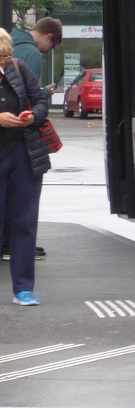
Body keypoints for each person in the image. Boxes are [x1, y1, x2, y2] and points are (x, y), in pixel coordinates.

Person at [0, 29, 51, 305]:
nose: (4, 63)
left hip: (24, 155)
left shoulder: (19, 69)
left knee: (24, 223)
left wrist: (32, 116)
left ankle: (23, 289)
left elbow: (41, 100)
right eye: (0, 57)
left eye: (6, 57)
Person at [5, 17, 58, 263]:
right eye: (52, 46)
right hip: (21, 143)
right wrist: (33, 112)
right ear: (48, 37)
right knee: (24, 210)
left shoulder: (16, 45)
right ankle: (16, 254)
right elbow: (31, 97)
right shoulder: (31, 56)